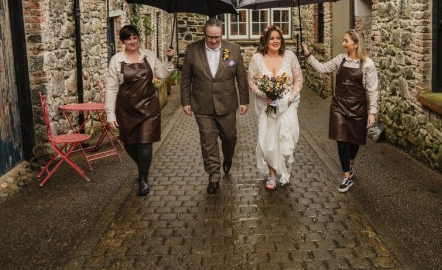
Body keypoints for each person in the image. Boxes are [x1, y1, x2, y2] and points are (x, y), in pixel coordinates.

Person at [302, 29, 378, 192]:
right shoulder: (340, 59)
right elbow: (322, 68)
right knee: (342, 138)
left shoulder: (367, 64)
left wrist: (372, 112)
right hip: (339, 106)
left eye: (346, 41)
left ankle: (350, 163)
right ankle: (346, 177)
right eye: (343, 40)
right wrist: (308, 54)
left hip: (358, 106)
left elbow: (372, 90)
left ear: (356, 44)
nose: (343, 44)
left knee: (355, 140)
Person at [180, 18, 249, 194]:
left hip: (227, 104)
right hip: (202, 105)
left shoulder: (233, 49)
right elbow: (186, 79)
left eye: (216, 37)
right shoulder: (192, 50)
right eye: (210, 37)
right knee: (208, 141)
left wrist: (244, 101)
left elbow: (241, 77)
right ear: (204, 34)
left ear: (221, 35)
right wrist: (186, 102)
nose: (213, 41)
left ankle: (228, 157)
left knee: (230, 137)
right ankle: (213, 176)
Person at [105, 25, 174, 196]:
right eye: (128, 38)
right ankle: (144, 165)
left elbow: (163, 74)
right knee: (129, 144)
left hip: (148, 106)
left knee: (144, 143)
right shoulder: (116, 60)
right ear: (122, 41)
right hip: (126, 108)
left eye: (135, 37)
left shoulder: (149, 55)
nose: (132, 41)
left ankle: (143, 177)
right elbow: (111, 88)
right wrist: (110, 114)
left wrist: (169, 60)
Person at [248, 25, 303, 190]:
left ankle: (286, 166)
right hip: (267, 106)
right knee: (270, 138)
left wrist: (290, 97)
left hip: (288, 104)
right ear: (265, 40)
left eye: (278, 38)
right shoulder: (257, 59)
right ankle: (272, 174)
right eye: (272, 38)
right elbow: (251, 81)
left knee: (289, 135)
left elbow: (298, 79)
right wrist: (265, 95)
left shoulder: (290, 56)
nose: (275, 41)